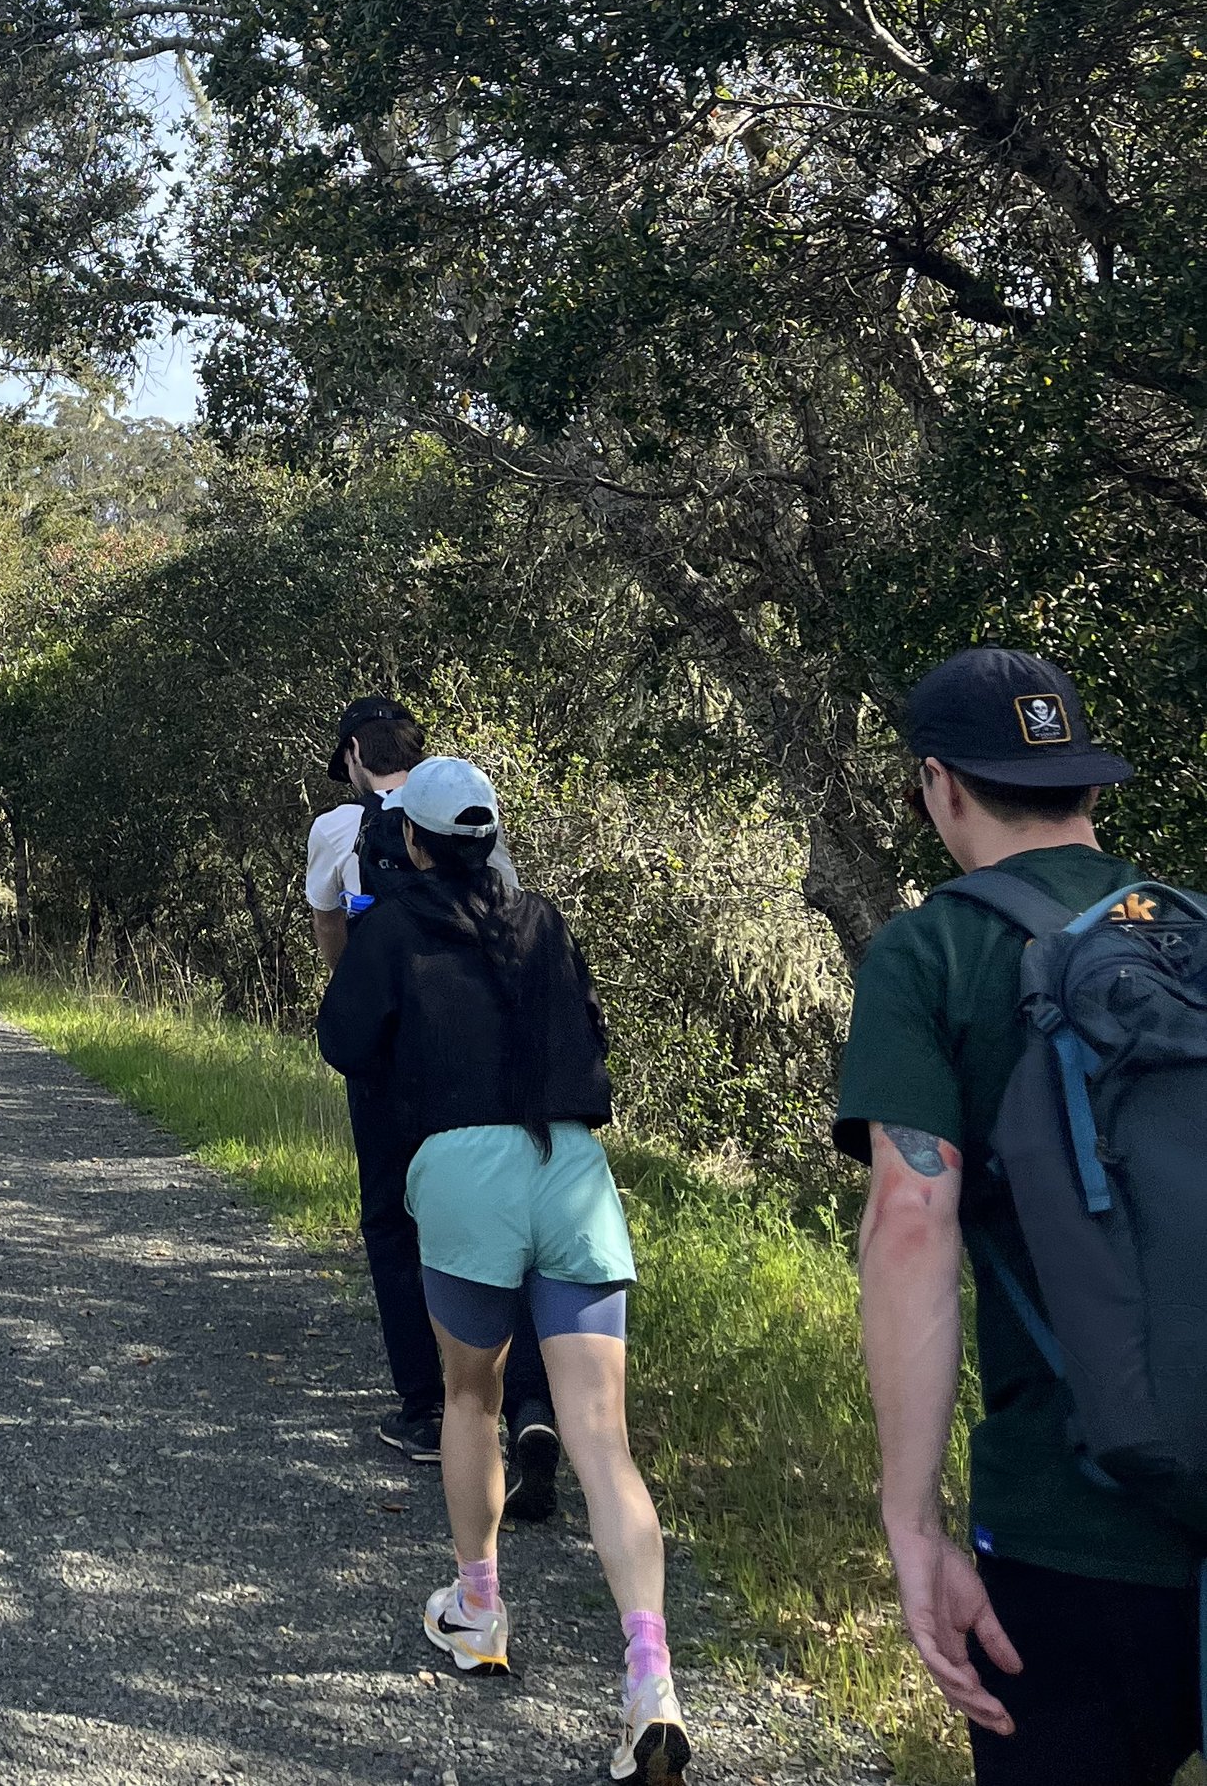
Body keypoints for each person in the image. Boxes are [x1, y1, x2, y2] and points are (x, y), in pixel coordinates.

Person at [836, 646, 1203, 1785]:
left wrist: (913, 1524)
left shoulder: (930, 951)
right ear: (1089, 785)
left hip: (1067, 1522)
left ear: (939, 784)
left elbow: (909, 1222)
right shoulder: (1194, 931)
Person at [319, 754, 688, 1784]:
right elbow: (592, 1035)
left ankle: (478, 1612)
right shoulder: (544, 922)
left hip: (463, 1169)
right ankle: (649, 1679)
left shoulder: (390, 925)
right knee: (602, 1439)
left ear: (416, 842)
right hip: (572, 1166)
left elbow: (345, 1042)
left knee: (470, 1396)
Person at [308, 694, 561, 1518]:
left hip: (388, 1060)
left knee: (392, 1224)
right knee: (502, 1229)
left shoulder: (338, 832)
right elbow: (508, 922)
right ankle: (527, 1404)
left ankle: (425, 1408)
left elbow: (333, 945)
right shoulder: (475, 812)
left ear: (352, 753)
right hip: (482, 1060)